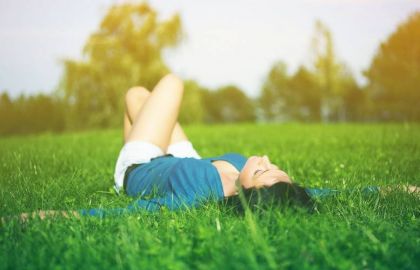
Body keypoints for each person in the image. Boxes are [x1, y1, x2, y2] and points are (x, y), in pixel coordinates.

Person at [4, 74, 419, 222]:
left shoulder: (195, 199)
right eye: (275, 168)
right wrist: (403, 191)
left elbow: (115, 215)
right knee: (137, 101)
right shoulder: (273, 192)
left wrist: (35, 216)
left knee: (158, 88)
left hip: (144, 167)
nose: (265, 160)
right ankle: (135, 129)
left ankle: (122, 163)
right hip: (188, 160)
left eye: (260, 170)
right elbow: (335, 195)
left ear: (243, 193)